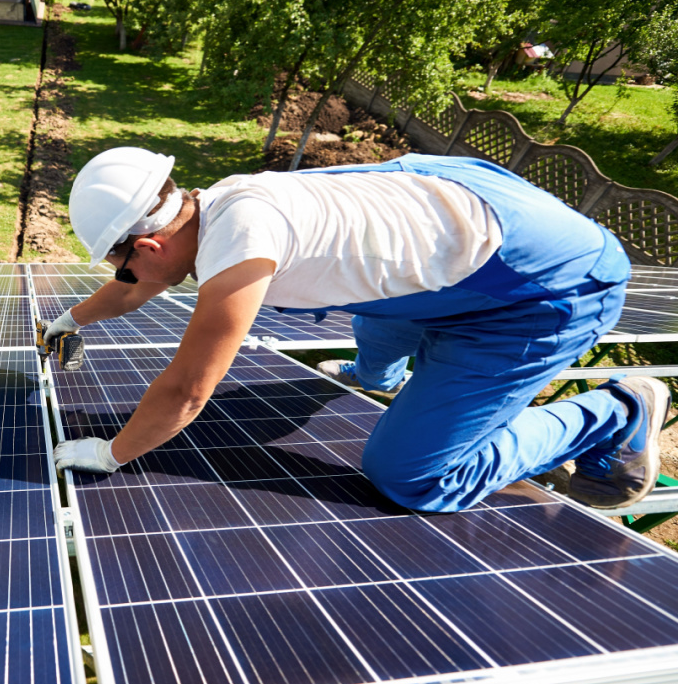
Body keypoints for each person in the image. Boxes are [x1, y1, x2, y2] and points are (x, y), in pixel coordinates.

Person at [46, 147, 670, 512]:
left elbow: (187, 390)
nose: (126, 277)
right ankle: (378, 374)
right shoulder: (216, 202)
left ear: (151, 241)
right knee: (374, 306)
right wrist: (69, 319)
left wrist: (112, 451)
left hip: (541, 289)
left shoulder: (241, 239)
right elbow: (143, 282)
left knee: (412, 476)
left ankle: (618, 411)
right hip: (457, 224)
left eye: (122, 263)